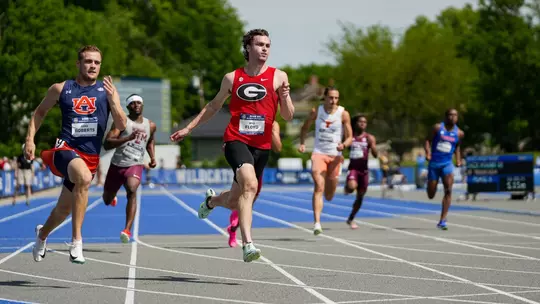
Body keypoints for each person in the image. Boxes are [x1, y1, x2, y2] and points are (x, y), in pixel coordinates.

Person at [170, 28, 294, 262]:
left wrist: (285, 97)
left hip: (262, 145)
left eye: (268, 45)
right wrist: (189, 128)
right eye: (259, 44)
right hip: (236, 139)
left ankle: (212, 200)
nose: (265, 48)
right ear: (248, 48)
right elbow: (213, 106)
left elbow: (287, 116)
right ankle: (247, 244)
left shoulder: (279, 77)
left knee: (236, 200)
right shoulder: (232, 78)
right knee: (250, 185)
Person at [26, 45, 127, 264]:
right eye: (88, 61)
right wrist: (29, 139)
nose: (93, 66)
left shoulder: (107, 90)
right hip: (65, 149)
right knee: (83, 177)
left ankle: (42, 235)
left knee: (62, 210)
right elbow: (40, 112)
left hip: (90, 156)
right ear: (78, 64)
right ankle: (77, 242)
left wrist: (113, 100)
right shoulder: (61, 89)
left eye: (97, 63)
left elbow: (121, 123)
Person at [102, 94, 157, 243]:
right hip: (117, 165)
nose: (136, 105)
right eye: (133, 103)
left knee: (132, 189)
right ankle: (112, 197)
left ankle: (127, 230)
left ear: (143, 105)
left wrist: (152, 157)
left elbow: (150, 141)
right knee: (106, 200)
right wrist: (127, 138)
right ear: (128, 107)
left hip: (135, 164)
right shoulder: (121, 123)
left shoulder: (150, 125)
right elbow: (107, 144)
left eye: (139, 102)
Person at [298, 87, 353, 235]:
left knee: (329, 195)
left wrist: (344, 144)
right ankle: (317, 223)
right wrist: (302, 143)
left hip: (335, 155)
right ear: (325, 98)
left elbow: (349, 136)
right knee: (319, 187)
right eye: (330, 98)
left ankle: (328, 195)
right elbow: (304, 128)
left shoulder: (343, 113)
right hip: (319, 153)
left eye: (336, 98)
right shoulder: (317, 111)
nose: (333, 101)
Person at [226, 121, 282, 248]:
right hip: (243, 162)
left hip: (258, 167)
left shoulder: (274, 124)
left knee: (247, 202)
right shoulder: (246, 116)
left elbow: (278, 148)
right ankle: (237, 231)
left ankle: (233, 227)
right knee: (240, 197)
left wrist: (272, 132)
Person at [424, 108, 464, 230]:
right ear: (446, 117)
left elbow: (457, 146)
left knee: (448, 190)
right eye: (450, 115)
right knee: (431, 194)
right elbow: (427, 140)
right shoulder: (437, 128)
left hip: (447, 164)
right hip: (434, 164)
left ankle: (442, 220)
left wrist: (458, 159)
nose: (453, 117)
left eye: (455, 115)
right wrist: (428, 152)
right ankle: (431, 186)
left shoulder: (459, 133)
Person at [344, 115, 377, 229]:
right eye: (360, 122)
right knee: (352, 187)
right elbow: (343, 148)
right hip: (353, 169)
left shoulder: (369, 137)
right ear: (356, 123)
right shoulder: (350, 137)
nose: (363, 124)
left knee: (360, 197)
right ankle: (347, 187)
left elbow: (376, 155)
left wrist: (372, 146)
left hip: (364, 171)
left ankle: (351, 218)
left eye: (365, 122)